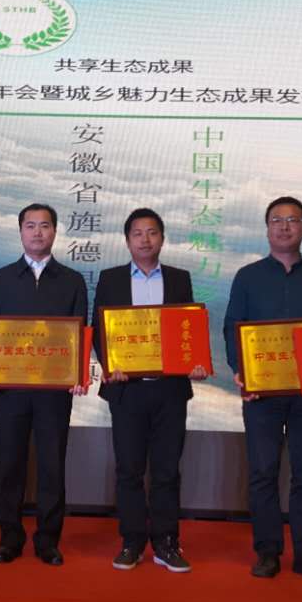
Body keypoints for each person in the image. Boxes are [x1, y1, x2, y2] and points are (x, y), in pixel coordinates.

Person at [223, 196, 302, 583]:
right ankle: (267, 551)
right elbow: (233, 328)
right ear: (267, 229)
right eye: (277, 220)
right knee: (263, 473)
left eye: (292, 220)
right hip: (261, 394)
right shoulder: (247, 276)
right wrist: (241, 371)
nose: (284, 227)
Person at [92, 208, 206, 573]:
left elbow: (187, 330)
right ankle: (131, 542)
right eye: (138, 233)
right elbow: (99, 331)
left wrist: (195, 362)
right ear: (127, 240)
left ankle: (166, 542)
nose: (145, 239)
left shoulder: (179, 279)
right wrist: (110, 364)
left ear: (162, 238)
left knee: (167, 470)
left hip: (170, 391)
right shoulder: (110, 279)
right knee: (128, 469)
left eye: (152, 232)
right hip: (127, 391)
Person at [0, 204, 88, 566]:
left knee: (52, 465)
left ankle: (48, 540)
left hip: (55, 391)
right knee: (10, 463)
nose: (37, 232)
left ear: (55, 231)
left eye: (44, 226)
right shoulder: (1, 278)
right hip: (10, 390)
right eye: (30, 226)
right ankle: (9, 538)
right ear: (20, 231)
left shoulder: (72, 280)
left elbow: (80, 333)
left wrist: (78, 375)